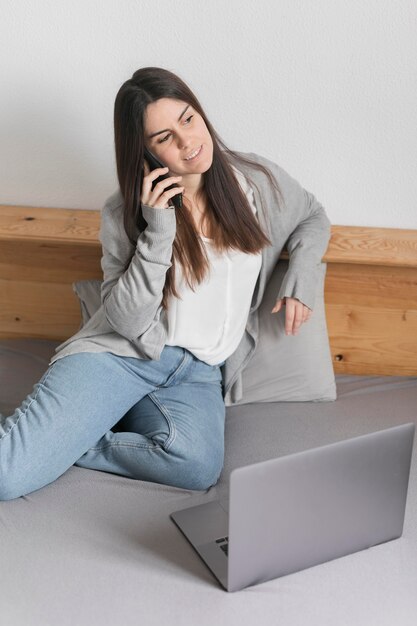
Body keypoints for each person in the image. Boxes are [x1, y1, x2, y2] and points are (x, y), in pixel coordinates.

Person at [0, 67, 331, 501]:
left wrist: (301, 275)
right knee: (8, 475)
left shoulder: (258, 184)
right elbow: (127, 320)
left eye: (188, 120)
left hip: (199, 374)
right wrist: (159, 229)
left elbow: (313, 214)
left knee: (195, 468)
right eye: (164, 138)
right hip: (123, 357)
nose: (187, 143)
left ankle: (64, 443)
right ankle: (41, 443)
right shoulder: (124, 211)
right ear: (146, 153)